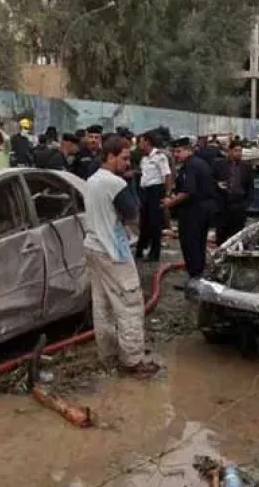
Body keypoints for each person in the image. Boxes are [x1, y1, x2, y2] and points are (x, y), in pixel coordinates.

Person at [82, 135, 158, 378]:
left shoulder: (92, 180)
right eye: (124, 158)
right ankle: (133, 360)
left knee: (102, 303)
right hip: (113, 250)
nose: (127, 163)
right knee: (130, 302)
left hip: (93, 246)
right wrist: (130, 183)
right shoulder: (115, 183)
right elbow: (134, 214)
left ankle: (108, 353)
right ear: (110, 156)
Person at [163, 137, 218, 281]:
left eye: (178, 151)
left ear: (188, 150)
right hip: (203, 209)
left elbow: (188, 191)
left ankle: (195, 277)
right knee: (199, 243)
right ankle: (199, 274)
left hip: (194, 211)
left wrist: (171, 202)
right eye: (174, 152)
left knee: (190, 244)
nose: (175, 155)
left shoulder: (191, 166)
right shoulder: (199, 163)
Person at [135, 132, 172, 263]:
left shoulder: (159, 157)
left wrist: (167, 194)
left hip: (156, 191)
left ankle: (154, 253)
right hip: (145, 191)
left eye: (140, 141)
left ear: (147, 141)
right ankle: (141, 249)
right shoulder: (144, 158)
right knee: (144, 221)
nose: (139, 144)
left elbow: (167, 175)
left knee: (155, 223)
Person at [212, 141, 253, 244]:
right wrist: (217, 184)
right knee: (221, 237)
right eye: (236, 150)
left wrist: (246, 204)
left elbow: (250, 187)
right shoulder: (219, 165)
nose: (238, 153)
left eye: (240, 151)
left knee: (237, 237)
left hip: (239, 207)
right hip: (223, 206)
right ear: (229, 151)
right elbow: (209, 180)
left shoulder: (246, 167)